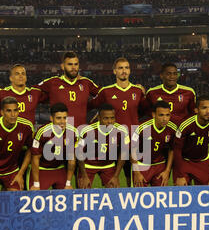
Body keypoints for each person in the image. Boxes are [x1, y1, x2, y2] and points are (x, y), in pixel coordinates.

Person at [89, 57, 146, 186]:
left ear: (130, 71)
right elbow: (91, 106)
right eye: (120, 68)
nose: (123, 71)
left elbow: (144, 111)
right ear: (114, 71)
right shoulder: (106, 92)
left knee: (132, 181)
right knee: (110, 181)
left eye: (126, 68)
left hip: (132, 141)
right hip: (111, 142)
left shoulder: (137, 91)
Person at [173, 95, 209, 186]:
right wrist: (180, 175)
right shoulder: (185, 124)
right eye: (204, 108)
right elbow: (177, 149)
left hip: (203, 161)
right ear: (196, 110)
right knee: (181, 193)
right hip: (184, 161)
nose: (208, 111)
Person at [36, 51, 100, 127]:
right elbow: (32, 93)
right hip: (59, 134)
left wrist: (96, 112)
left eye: (76, 64)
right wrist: (46, 99)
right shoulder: (53, 82)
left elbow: (105, 95)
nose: (73, 67)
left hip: (80, 133)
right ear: (62, 66)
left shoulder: (86, 83)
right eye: (70, 64)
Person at [76, 104, 130, 189]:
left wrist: (116, 176)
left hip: (108, 165)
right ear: (99, 118)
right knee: (84, 192)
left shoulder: (122, 131)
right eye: (106, 118)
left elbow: (124, 153)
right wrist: (84, 176)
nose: (110, 122)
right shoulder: (87, 130)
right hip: (88, 165)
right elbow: (79, 153)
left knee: (114, 191)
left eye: (112, 118)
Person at [29, 103, 78, 190]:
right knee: (38, 199)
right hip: (42, 170)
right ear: (51, 118)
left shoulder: (72, 132)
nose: (62, 121)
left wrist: (68, 183)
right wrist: (36, 184)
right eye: (58, 118)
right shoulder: (42, 132)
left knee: (66, 197)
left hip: (59, 169)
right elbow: (35, 158)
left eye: (65, 118)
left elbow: (71, 159)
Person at [131, 101, 177, 187]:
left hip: (159, 166)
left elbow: (172, 150)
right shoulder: (141, 128)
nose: (165, 119)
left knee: (161, 195)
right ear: (154, 115)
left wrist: (167, 171)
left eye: (167, 115)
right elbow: (132, 150)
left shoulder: (172, 129)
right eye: (161, 115)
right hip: (142, 165)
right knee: (138, 196)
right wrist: (137, 172)